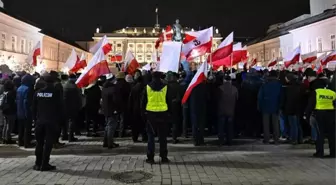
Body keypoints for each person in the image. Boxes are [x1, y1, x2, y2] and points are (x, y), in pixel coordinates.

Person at [32, 73, 62, 171]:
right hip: (51, 121)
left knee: (39, 143)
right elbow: (59, 108)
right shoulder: (56, 92)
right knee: (48, 143)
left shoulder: (38, 93)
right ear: (53, 82)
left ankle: (37, 163)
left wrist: (35, 120)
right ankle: (45, 164)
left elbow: (34, 108)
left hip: (40, 121)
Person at [141, 71, 170, 164]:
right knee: (163, 137)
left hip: (150, 114)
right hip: (163, 113)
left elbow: (143, 102)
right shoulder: (165, 87)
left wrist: (143, 113)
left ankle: (150, 157)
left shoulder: (147, 87)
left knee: (151, 137)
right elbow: (169, 100)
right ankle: (164, 157)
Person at [305, 80, 336, 158]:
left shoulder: (316, 92)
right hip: (331, 113)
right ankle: (333, 153)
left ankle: (320, 152)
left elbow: (311, 104)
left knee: (320, 133)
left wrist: (307, 115)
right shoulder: (332, 92)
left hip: (319, 114)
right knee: (331, 134)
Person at [258, 70, 282, 144]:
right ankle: (276, 139)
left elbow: (260, 97)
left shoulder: (264, 84)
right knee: (275, 123)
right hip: (276, 106)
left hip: (265, 105)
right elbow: (281, 97)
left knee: (266, 124)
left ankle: (266, 139)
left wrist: (260, 106)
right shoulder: (279, 85)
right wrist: (280, 106)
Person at [281, 73, 303, 145]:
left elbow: (287, 99)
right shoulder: (299, 86)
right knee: (297, 124)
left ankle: (294, 139)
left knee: (293, 125)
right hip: (298, 108)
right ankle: (300, 139)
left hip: (291, 108)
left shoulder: (289, 88)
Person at [216, 76, 238, 146]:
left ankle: (221, 141)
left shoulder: (220, 88)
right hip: (231, 111)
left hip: (221, 110)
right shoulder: (235, 89)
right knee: (230, 127)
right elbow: (237, 99)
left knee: (221, 127)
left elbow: (217, 99)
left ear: (224, 80)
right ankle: (230, 141)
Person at [16, 74, 35, 148]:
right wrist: (28, 113)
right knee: (27, 128)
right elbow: (26, 102)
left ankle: (20, 141)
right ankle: (27, 143)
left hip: (19, 111)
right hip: (25, 112)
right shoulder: (28, 89)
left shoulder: (19, 88)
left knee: (20, 128)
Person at [102, 74, 120, 149]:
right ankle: (110, 143)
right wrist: (116, 109)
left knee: (107, 126)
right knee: (111, 127)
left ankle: (106, 142)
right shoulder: (113, 88)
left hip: (106, 109)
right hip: (112, 110)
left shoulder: (104, 88)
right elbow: (115, 100)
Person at [128, 72, 147, 142]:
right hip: (143, 108)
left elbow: (130, 100)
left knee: (135, 124)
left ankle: (135, 137)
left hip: (135, 109)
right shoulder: (145, 88)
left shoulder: (134, 88)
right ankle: (144, 138)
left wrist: (130, 109)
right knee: (143, 124)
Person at [63, 74, 82, 142]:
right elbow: (79, 97)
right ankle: (71, 137)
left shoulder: (64, 85)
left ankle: (64, 135)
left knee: (65, 122)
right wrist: (80, 105)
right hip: (73, 106)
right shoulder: (75, 86)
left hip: (64, 106)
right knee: (72, 121)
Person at [166, 72, 182, 144]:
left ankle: (165, 137)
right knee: (175, 123)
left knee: (167, 123)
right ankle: (174, 138)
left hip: (166, 106)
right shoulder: (177, 86)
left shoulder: (165, 86)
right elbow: (179, 97)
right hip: (175, 106)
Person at [114, 72, 131, 137]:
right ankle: (121, 133)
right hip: (124, 104)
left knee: (116, 119)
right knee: (122, 119)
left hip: (116, 104)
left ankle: (115, 132)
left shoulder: (115, 85)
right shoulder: (126, 85)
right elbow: (128, 94)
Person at [1, 80, 16, 144]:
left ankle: (4, 137)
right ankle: (8, 138)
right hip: (10, 111)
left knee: (6, 125)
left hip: (5, 111)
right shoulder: (11, 93)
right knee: (9, 126)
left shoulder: (5, 92)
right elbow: (12, 103)